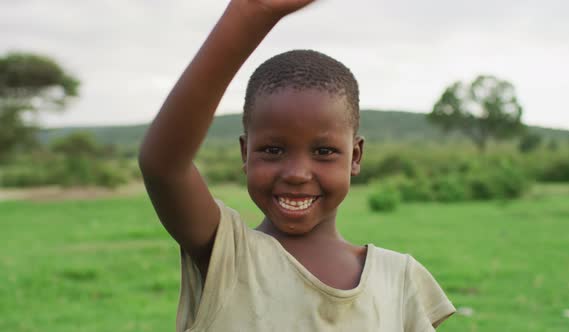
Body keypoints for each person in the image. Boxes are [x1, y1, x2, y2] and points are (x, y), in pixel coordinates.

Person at [138, 0, 456, 331]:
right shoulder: (227, 256)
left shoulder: (399, 281)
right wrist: (251, 12)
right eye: (273, 149)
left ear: (356, 157)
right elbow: (163, 166)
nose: (296, 173)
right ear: (245, 154)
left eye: (324, 151)